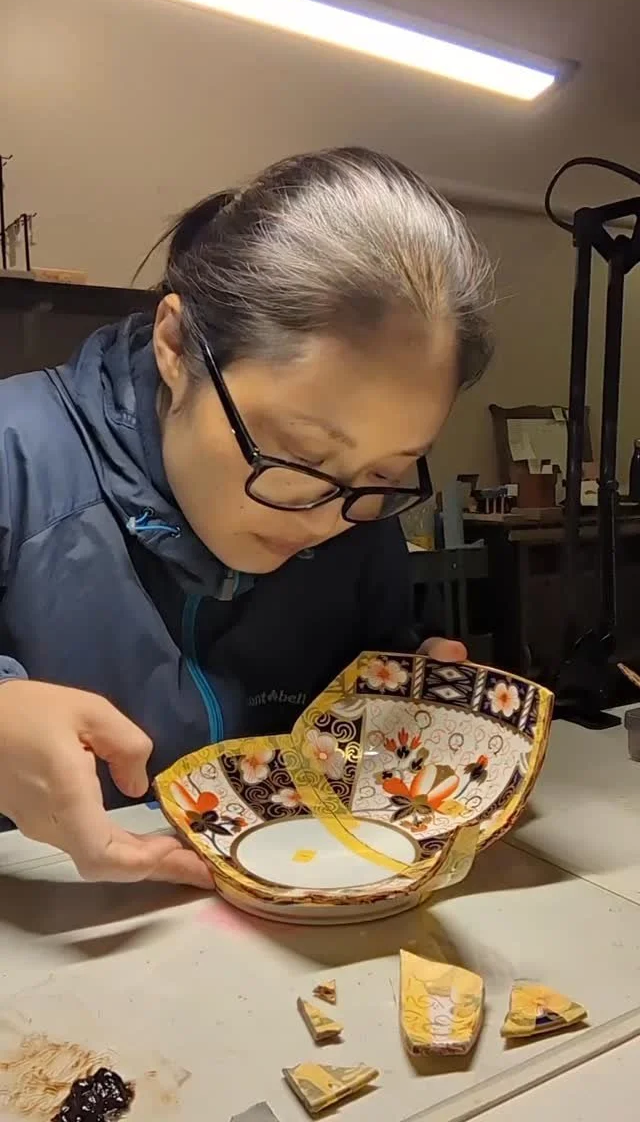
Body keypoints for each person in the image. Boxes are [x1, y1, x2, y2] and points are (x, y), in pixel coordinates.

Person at [0, 147, 492, 889]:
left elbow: (363, 693)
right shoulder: (17, 454)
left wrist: (410, 699)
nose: (327, 518)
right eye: (297, 453)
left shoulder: (358, 513)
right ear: (175, 346)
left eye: (387, 471)